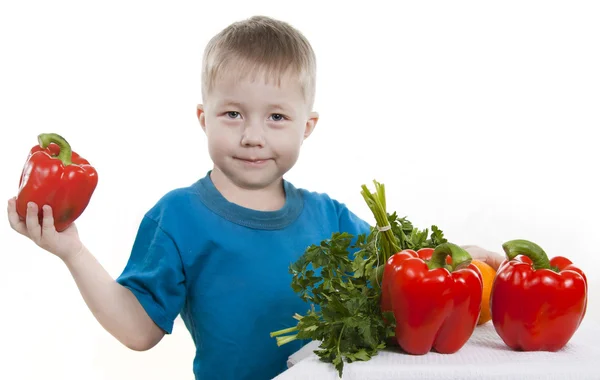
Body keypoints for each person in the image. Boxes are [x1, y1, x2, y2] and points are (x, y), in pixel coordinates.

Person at [7, 15, 504, 380]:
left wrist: (461, 256)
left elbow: (402, 274)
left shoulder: (330, 217)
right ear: (204, 118)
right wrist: (72, 252)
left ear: (307, 127)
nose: (252, 135)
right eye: (233, 114)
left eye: (277, 117)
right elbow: (139, 332)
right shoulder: (177, 217)